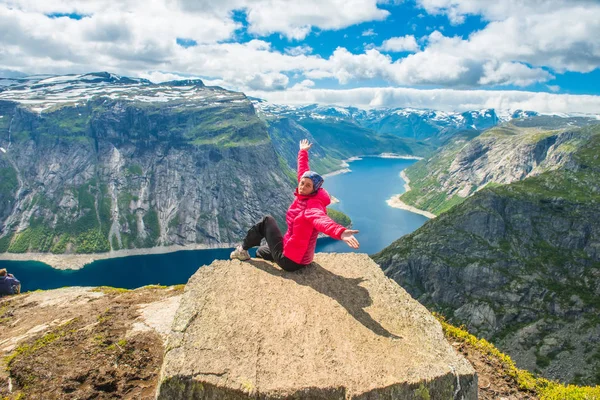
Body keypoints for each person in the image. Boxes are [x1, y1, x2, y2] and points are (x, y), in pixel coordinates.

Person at [230, 139, 360, 271]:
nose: (303, 186)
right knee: (261, 252)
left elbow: (323, 221)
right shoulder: (308, 192)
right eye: (302, 183)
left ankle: (242, 250)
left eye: (307, 185)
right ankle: (259, 252)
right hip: (297, 253)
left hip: (292, 261)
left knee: (267, 221)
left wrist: (341, 232)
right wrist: (303, 152)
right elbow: (303, 172)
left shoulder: (312, 207)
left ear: (313, 189)